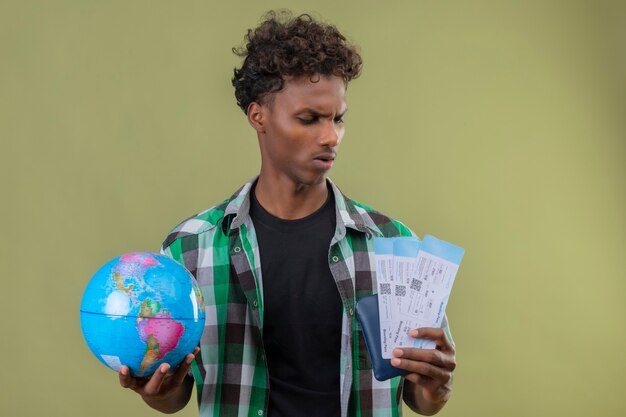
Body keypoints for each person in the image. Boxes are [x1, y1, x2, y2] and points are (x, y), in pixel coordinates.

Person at [118, 11, 456, 417]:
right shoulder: (189, 249)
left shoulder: (391, 243)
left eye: (338, 118)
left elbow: (421, 400)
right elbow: (176, 397)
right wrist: (156, 392)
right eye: (309, 119)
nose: (331, 136)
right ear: (258, 115)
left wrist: (436, 388)